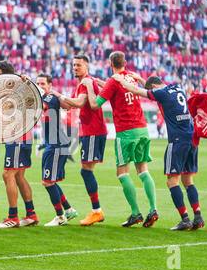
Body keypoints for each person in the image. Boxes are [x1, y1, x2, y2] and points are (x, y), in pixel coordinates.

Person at [113, 74, 204, 230]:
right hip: (192, 138)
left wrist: (121, 80)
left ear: (154, 88)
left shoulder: (160, 93)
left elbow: (135, 90)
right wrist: (142, 79)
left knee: (172, 181)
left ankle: (185, 219)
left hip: (177, 141)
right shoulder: (177, 88)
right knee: (188, 180)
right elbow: (152, 89)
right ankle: (198, 217)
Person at [85, 51, 158, 228]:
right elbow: (113, 89)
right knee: (142, 170)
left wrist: (89, 86)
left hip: (126, 132)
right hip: (142, 128)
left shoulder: (113, 81)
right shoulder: (131, 78)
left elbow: (95, 105)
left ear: (110, 64)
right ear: (125, 62)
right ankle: (153, 209)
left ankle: (135, 213)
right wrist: (98, 83)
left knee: (122, 172)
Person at [50, 54, 108, 226]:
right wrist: (52, 99)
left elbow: (80, 103)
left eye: (79, 65)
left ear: (86, 67)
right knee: (86, 170)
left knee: (86, 170)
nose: (75, 68)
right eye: (74, 65)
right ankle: (96, 211)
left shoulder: (86, 82)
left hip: (93, 131)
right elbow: (70, 105)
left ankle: (97, 211)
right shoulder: (80, 84)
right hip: (89, 131)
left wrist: (59, 95)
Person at [0, 60, 39, 228]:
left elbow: (36, 95)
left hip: (18, 137)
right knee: (19, 176)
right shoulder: (8, 91)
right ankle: (31, 214)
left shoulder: (16, 89)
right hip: (22, 137)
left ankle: (13, 216)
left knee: (7, 175)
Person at [37, 73, 77, 226]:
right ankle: (68, 209)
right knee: (50, 181)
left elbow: (42, 107)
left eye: (43, 84)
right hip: (53, 143)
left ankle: (60, 217)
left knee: (47, 182)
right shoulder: (45, 99)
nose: (40, 87)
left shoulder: (49, 98)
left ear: (49, 86)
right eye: (38, 84)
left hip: (56, 145)